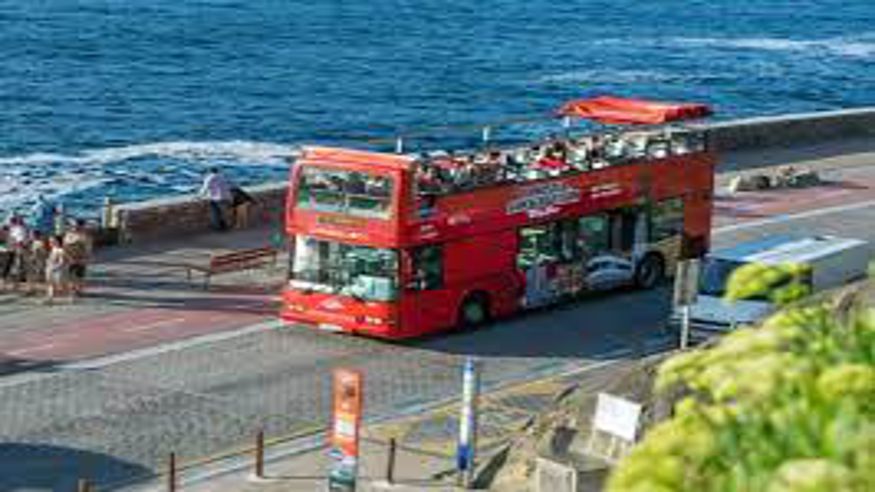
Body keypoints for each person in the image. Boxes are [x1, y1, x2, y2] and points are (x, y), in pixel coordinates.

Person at [63, 219, 93, 300]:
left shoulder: (85, 236)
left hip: (80, 258)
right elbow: (65, 246)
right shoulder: (69, 235)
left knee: (79, 276)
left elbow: (88, 248)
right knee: (70, 275)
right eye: (74, 226)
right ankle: (72, 291)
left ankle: (78, 290)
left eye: (77, 226)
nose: (75, 228)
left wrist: (87, 258)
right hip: (70, 258)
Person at [45, 235, 67, 304]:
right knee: (50, 284)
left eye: (52, 241)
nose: (50, 243)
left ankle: (70, 294)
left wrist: (55, 267)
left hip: (57, 270)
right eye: (50, 242)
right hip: (50, 268)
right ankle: (50, 298)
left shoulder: (60, 250)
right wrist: (47, 262)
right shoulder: (52, 249)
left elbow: (62, 262)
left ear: (58, 242)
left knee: (59, 284)